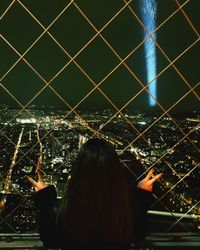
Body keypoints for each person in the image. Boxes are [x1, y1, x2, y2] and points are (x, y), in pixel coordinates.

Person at [27, 138, 163, 250]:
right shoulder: (125, 211)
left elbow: (50, 240)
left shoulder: (66, 212)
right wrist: (141, 195)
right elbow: (138, 235)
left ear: (78, 171)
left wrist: (45, 201)